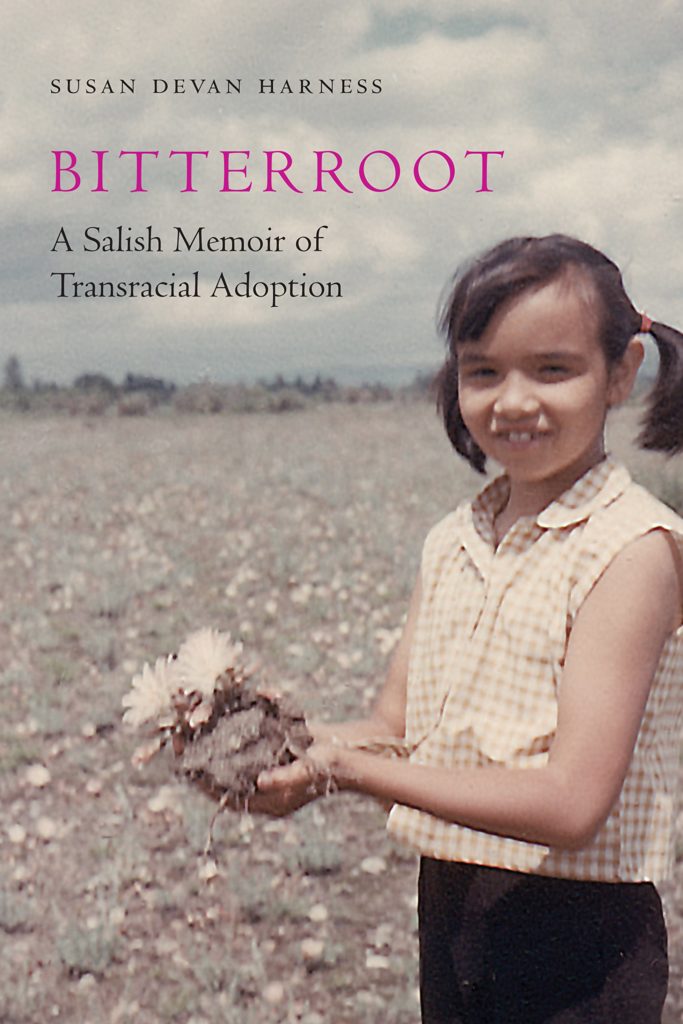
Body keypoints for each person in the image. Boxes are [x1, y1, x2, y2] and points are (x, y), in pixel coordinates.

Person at [251, 235, 683, 1023]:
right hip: (453, 909)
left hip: (581, 943)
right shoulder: (454, 539)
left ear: (621, 371)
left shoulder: (630, 551)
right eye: (482, 370)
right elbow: (395, 726)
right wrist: (273, 743)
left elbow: (570, 801)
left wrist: (343, 773)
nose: (511, 401)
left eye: (552, 369)